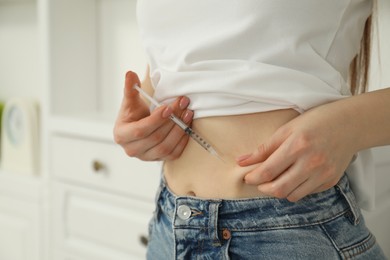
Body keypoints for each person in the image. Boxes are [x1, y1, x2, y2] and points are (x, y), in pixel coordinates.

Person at [114, 0, 388, 259]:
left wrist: (347, 127)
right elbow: (173, 62)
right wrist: (141, 118)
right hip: (170, 224)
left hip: (288, 231)